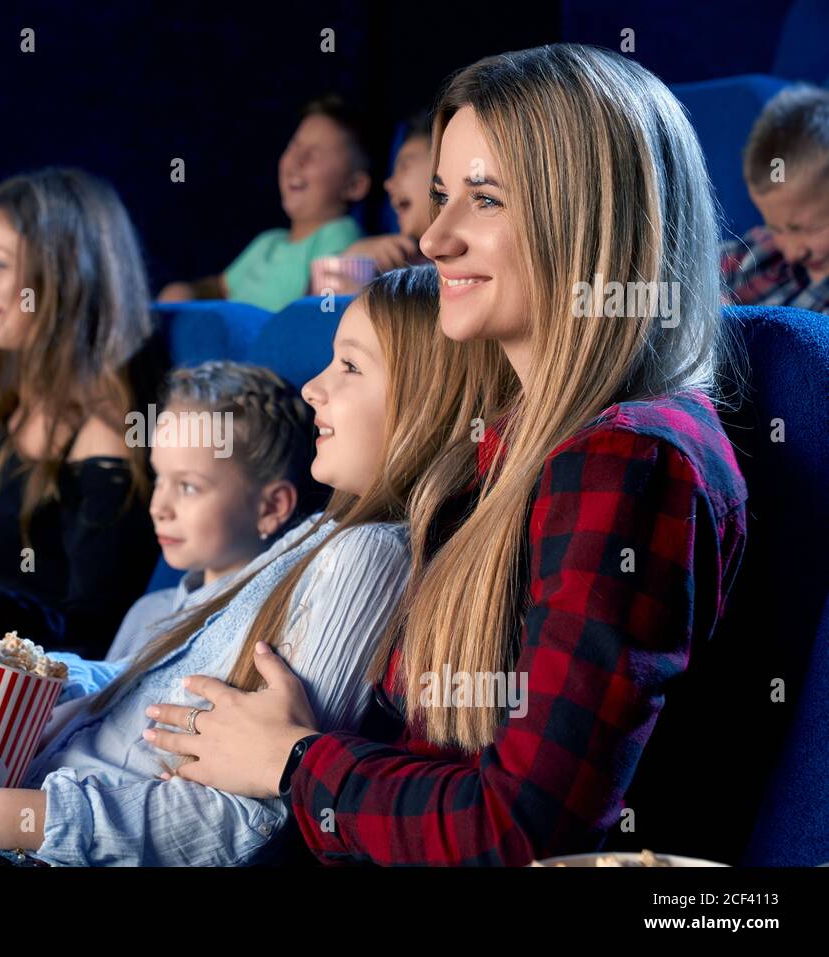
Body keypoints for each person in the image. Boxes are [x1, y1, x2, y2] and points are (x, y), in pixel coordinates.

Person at [146, 44, 749, 868]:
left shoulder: (627, 460)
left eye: (486, 199)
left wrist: (294, 761)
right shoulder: (512, 443)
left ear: (591, 223)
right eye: (440, 197)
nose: (433, 237)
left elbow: (519, 831)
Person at [0, 265, 510, 866]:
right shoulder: (320, 532)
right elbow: (152, 689)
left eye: (349, 367)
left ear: (427, 404)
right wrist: (35, 680)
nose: (314, 386)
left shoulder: (368, 557)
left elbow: (251, 822)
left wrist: (13, 820)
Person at [0, 169, 167, 670]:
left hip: (7, 713)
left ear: (64, 275)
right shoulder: (15, 404)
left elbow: (99, 630)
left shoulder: (105, 434)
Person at [103, 360, 323, 664]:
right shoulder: (146, 613)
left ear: (272, 507)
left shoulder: (265, 640)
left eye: (188, 487)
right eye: (158, 478)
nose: (158, 508)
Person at [157, 96, 370, 312]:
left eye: (315, 154)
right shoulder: (268, 242)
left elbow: (323, 305)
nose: (297, 160)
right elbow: (221, 287)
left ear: (354, 186)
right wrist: (189, 292)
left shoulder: (339, 232)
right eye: (294, 147)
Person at [721, 84, 829, 312]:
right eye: (776, 228)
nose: (792, 252)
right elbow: (685, 265)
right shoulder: (762, 253)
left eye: (806, 228)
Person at [315, 110, 435, 295]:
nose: (388, 184)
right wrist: (349, 261)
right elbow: (316, 314)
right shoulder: (389, 267)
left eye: (404, 166)